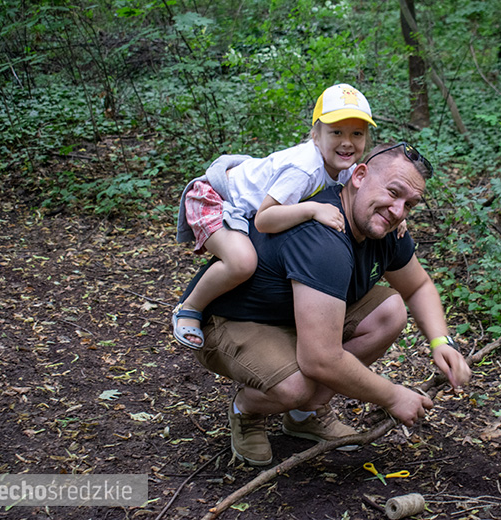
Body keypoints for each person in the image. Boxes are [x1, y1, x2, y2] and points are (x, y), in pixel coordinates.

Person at [179, 141, 472, 466]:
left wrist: (441, 341)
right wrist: (393, 396)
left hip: (292, 314)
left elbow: (417, 286)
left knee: (389, 311)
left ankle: (305, 415)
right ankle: (247, 410)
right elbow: (320, 358)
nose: (398, 211)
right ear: (359, 175)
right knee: (294, 385)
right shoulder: (324, 239)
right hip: (232, 319)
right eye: (393, 192)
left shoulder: (386, 228)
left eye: (409, 204)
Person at [173, 84, 377, 349]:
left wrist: (392, 212)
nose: (347, 142)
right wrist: (312, 210)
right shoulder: (304, 170)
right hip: (216, 198)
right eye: (336, 132)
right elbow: (264, 219)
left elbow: (368, 192)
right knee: (242, 262)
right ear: (315, 136)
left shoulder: (344, 165)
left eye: (357, 133)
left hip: (241, 205)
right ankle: (189, 308)